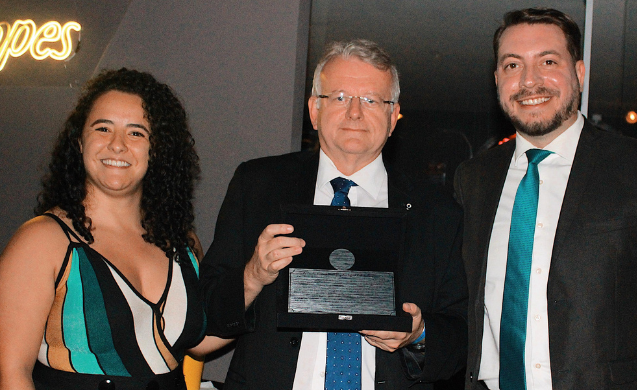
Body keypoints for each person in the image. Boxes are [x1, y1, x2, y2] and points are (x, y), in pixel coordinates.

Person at [453, 8, 637, 390]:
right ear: (496, 80)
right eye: (512, 65)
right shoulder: (472, 179)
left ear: (579, 73)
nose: (529, 81)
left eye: (548, 61)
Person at [200, 39, 467, 389]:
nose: (354, 112)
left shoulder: (437, 212)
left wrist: (418, 334)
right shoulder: (257, 186)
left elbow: (462, 335)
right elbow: (204, 314)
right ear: (314, 110)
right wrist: (253, 275)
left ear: (392, 117)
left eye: (371, 100)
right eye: (340, 97)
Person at [0, 68, 228, 390]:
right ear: (79, 141)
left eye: (136, 133)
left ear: (156, 150)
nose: (117, 145)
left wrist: (256, 278)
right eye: (103, 128)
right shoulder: (43, 241)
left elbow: (197, 342)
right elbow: (11, 373)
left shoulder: (182, 244)